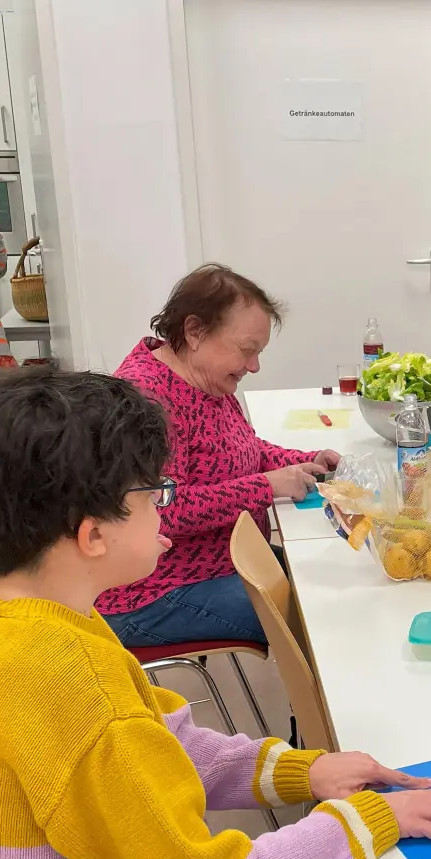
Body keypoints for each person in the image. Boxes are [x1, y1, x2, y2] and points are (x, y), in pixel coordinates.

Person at [0, 367, 431, 859]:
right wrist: (375, 820)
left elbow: (161, 744)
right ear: (92, 535)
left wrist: (301, 770)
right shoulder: (71, 685)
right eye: (154, 494)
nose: (165, 507)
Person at [101, 264, 338, 647]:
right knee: (318, 616)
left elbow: (243, 450)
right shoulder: (146, 397)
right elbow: (164, 511)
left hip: (228, 563)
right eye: (247, 351)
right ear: (195, 332)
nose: (254, 366)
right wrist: (265, 487)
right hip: (157, 589)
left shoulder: (205, 378)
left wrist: (306, 459)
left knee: (328, 579)